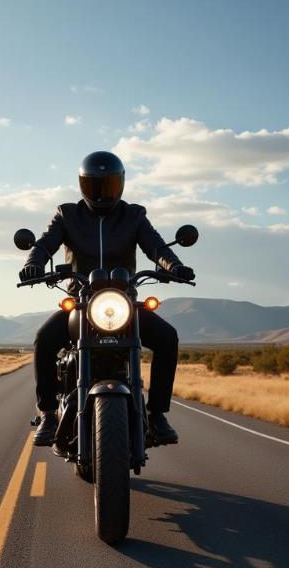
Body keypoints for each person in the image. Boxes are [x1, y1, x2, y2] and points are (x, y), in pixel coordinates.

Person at [19, 151, 195, 451]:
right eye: (95, 186)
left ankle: (157, 415)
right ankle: (48, 414)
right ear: (83, 186)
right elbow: (45, 244)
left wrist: (174, 266)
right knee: (44, 339)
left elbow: (156, 247)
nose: (103, 193)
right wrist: (33, 263)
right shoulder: (67, 214)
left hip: (124, 302)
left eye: (109, 185)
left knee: (167, 337)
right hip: (81, 302)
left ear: (120, 185)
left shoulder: (134, 215)